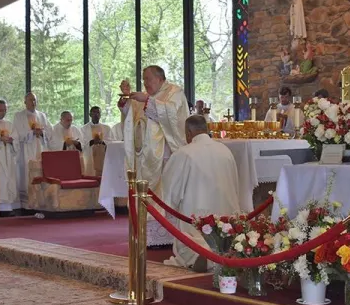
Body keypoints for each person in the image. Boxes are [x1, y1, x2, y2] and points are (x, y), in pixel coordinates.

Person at [162, 115, 240, 270]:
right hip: (226, 219)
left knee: (192, 238)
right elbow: (235, 186)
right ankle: (223, 249)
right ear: (207, 129)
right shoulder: (226, 151)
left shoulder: (184, 153)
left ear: (188, 133)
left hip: (196, 219)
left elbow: (170, 190)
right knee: (224, 234)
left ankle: (199, 253)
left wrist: (169, 205)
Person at [118, 65, 189, 196]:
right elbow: (131, 115)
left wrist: (147, 100)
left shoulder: (174, 92)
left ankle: (161, 213)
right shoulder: (146, 96)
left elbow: (172, 114)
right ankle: (144, 212)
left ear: (160, 78)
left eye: (148, 79)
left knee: (163, 188)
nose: (145, 83)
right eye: (143, 80)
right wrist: (126, 98)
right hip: (144, 152)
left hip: (165, 151)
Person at [12, 92, 52, 207]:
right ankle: (26, 204)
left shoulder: (42, 116)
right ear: (25, 102)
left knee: (41, 172)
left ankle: (41, 201)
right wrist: (32, 132)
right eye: (30, 100)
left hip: (40, 147)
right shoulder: (19, 116)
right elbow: (17, 132)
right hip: (26, 149)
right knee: (27, 173)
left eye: (35, 100)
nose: (33, 102)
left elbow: (49, 131)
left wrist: (42, 132)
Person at [81, 106, 112, 176]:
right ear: (90, 114)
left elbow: (110, 141)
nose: (96, 114)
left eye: (98, 112)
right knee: (91, 174)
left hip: (103, 156)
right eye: (94, 112)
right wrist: (92, 142)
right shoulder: (84, 128)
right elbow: (82, 143)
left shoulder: (106, 128)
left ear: (100, 115)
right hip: (90, 156)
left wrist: (103, 142)